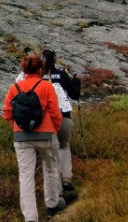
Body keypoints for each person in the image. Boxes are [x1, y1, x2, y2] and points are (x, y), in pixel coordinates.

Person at [4, 54, 63, 222]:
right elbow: (55, 113)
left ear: (23, 70)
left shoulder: (15, 87)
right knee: (51, 169)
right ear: (40, 70)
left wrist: (17, 128)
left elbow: (7, 113)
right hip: (46, 135)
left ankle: (31, 220)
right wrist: (54, 129)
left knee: (26, 176)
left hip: (22, 138)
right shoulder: (46, 86)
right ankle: (52, 206)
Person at [16, 49, 81, 193]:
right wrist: (76, 83)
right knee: (64, 146)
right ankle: (66, 179)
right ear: (55, 59)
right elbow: (75, 95)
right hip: (63, 116)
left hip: (43, 121)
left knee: (50, 154)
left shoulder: (37, 78)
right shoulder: (62, 75)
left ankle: (56, 188)